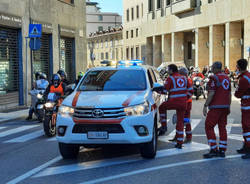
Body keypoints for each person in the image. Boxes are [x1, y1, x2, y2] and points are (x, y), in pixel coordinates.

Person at [203, 61, 231, 159]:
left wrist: (205, 105)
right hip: (225, 107)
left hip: (216, 107)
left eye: (212, 68)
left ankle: (213, 149)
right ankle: (222, 150)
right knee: (222, 127)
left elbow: (211, 93)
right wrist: (228, 106)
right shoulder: (227, 78)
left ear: (215, 68)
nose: (212, 69)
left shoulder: (214, 78)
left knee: (208, 126)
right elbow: (229, 94)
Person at [157, 64, 188, 149]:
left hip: (174, 102)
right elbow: (188, 90)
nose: (167, 71)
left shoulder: (170, 78)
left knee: (162, 107)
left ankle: (164, 125)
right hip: (183, 103)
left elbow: (165, 91)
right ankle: (179, 142)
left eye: (168, 69)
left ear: (171, 70)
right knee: (180, 122)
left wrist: (156, 90)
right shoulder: (184, 78)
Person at [169, 67, 194, 143]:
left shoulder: (187, 80)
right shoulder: (185, 79)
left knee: (185, 120)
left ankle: (188, 137)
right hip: (183, 102)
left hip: (186, 102)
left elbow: (190, 92)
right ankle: (178, 136)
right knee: (179, 120)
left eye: (179, 73)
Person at [234, 59, 250, 159]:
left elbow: (238, 94)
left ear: (239, 67)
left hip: (247, 106)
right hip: (247, 105)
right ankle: (246, 146)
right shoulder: (247, 76)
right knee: (246, 127)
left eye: (236, 65)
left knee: (247, 127)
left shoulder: (244, 79)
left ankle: (248, 148)